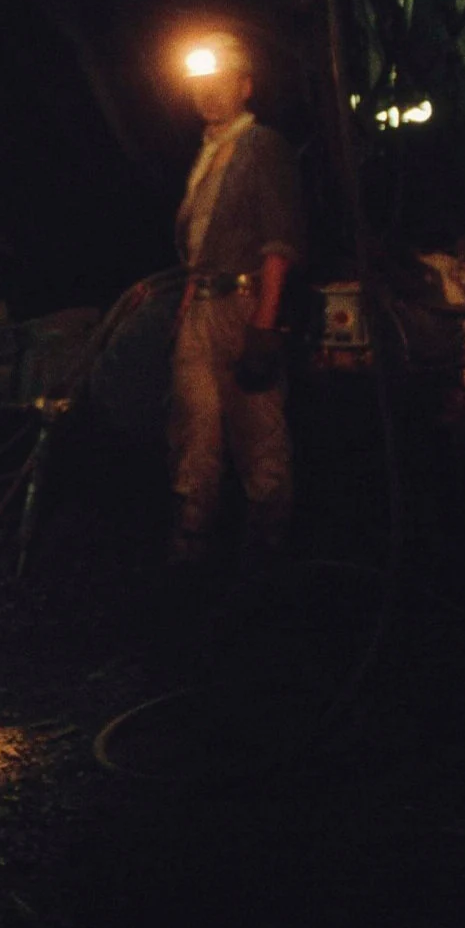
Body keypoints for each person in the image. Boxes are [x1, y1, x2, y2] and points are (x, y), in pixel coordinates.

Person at [169, 32, 304, 565]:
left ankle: (268, 549)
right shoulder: (206, 154)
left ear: (245, 87)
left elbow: (279, 243)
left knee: (258, 428)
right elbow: (200, 246)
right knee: (193, 423)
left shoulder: (261, 146)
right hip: (201, 306)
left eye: (221, 81)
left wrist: (265, 327)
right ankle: (191, 540)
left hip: (245, 305)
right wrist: (185, 305)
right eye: (201, 83)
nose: (209, 93)